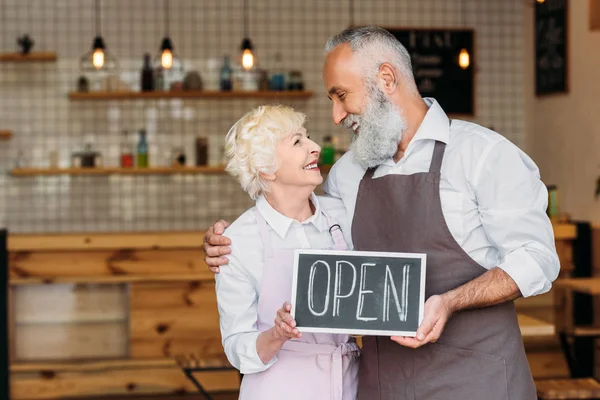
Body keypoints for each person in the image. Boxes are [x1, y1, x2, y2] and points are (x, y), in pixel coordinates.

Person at [205, 26, 560, 400]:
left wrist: (451, 301)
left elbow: (537, 259)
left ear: (386, 79)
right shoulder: (347, 174)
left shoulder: (483, 155)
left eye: (341, 96)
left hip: (477, 382)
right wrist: (224, 245)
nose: (337, 116)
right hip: (381, 385)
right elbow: (300, 223)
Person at [214, 105, 360, 400]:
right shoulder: (239, 241)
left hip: (351, 384)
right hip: (279, 389)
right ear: (266, 168)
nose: (315, 147)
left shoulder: (342, 215)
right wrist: (276, 334)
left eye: (308, 137)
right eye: (297, 142)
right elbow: (236, 346)